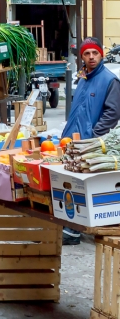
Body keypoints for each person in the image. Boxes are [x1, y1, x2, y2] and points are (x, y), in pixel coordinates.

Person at [61, 37, 120, 245]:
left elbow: (112, 113)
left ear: (101, 54)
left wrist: (94, 137)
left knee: (79, 184)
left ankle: (73, 232)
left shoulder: (109, 80)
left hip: (90, 143)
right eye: (87, 53)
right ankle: (71, 226)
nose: (91, 57)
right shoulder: (83, 76)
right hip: (73, 140)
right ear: (82, 57)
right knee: (71, 183)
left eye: (95, 53)